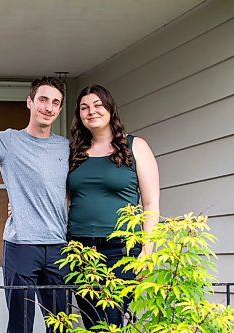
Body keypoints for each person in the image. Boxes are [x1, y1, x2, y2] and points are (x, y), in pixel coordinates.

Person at [0, 77, 70, 333]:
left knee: (60, 326)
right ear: (29, 102)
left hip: (58, 248)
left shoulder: (66, 148)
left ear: (60, 109)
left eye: (55, 103)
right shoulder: (9, 141)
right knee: (20, 325)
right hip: (21, 247)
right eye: (42, 100)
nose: (48, 107)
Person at [67, 84, 160, 328]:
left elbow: (150, 203)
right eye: (84, 107)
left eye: (98, 105)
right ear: (79, 114)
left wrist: (147, 249)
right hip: (79, 247)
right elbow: (59, 196)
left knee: (113, 319)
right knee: (91, 320)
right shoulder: (74, 152)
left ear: (110, 109)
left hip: (121, 248)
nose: (92, 111)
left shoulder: (135, 146)